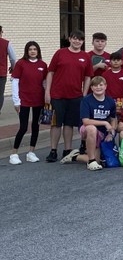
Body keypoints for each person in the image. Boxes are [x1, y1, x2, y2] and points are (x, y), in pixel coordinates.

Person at [44, 30, 93, 163]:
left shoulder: (85, 56)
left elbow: (88, 76)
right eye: (75, 38)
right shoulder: (60, 53)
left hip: (76, 96)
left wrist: (84, 93)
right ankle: (53, 150)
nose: (77, 41)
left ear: (83, 42)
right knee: (55, 124)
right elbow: (50, 73)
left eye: (80, 40)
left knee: (69, 124)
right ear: (70, 39)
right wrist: (47, 92)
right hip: (57, 95)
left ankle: (67, 150)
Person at [59, 76, 117, 171]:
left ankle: (75, 156)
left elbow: (114, 119)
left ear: (105, 86)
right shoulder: (86, 100)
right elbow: (85, 121)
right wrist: (105, 123)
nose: (98, 87)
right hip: (87, 129)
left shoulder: (110, 101)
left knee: (98, 160)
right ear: (91, 88)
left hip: (102, 132)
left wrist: (111, 132)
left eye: (101, 85)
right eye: (95, 85)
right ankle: (91, 162)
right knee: (91, 128)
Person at [8, 41, 47, 165]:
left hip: (38, 100)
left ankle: (31, 152)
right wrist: (16, 101)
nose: (33, 51)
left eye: (35, 49)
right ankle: (14, 153)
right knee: (23, 127)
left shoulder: (43, 65)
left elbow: (45, 82)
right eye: (30, 49)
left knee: (36, 126)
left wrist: (47, 97)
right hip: (23, 100)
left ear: (38, 51)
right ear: (27, 51)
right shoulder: (21, 63)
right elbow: (15, 82)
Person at [102, 51, 123, 117]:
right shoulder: (105, 74)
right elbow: (102, 90)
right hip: (108, 102)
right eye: (114, 60)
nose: (116, 62)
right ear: (110, 62)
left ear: (122, 62)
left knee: (120, 121)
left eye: (118, 60)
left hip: (121, 103)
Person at [0, 26, 18, 114]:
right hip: (1, 73)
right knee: (0, 94)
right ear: (1, 32)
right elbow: (13, 58)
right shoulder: (6, 43)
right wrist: (13, 68)